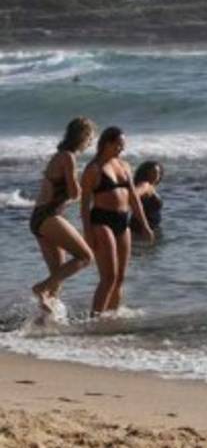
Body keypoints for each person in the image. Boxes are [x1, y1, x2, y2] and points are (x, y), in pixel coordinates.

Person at [80, 127, 155, 316]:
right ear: (107, 143)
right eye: (119, 144)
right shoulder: (93, 169)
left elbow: (134, 198)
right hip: (101, 221)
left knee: (120, 278)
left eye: (123, 145)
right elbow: (84, 206)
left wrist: (144, 224)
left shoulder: (124, 166)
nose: (122, 148)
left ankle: (111, 318)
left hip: (123, 221)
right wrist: (88, 234)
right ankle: (94, 319)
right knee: (109, 277)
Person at [29, 117, 97, 312]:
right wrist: (88, 183)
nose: (91, 142)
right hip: (48, 216)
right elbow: (75, 193)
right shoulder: (68, 157)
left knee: (57, 275)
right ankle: (40, 288)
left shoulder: (60, 155)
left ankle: (43, 323)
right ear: (82, 136)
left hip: (40, 218)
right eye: (90, 137)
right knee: (85, 257)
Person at [132, 161, 165, 238]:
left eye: (159, 172)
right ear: (146, 173)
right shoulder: (145, 185)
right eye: (153, 172)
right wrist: (145, 226)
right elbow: (133, 195)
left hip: (147, 227)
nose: (157, 175)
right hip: (140, 229)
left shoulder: (150, 186)